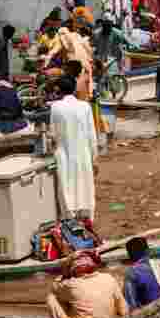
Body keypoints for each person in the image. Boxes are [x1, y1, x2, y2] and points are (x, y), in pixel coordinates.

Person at [46, 252, 126, 318]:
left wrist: (65, 275)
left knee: (51, 298)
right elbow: (123, 309)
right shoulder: (108, 277)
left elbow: (54, 288)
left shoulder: (71, 284)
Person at [50, 76, 98, 220]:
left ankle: (69, 217)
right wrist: (94, 157)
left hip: (64, 152)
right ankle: (87, 216)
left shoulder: (55, 107)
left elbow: (53, 134)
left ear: (58, 89)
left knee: (67, 186)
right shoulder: (85, 106)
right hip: (83, 153)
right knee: (85, 185)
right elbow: (92, 134)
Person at [121, 236, 160, 313]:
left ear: (130, 255)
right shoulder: (158, 263)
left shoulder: (131, 272)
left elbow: (131, 304)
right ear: (147, 251)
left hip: (149, 314)